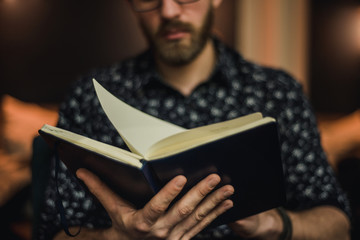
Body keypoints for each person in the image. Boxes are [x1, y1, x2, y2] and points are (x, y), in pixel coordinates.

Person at [36, 0, 351, 239]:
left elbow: (339, 223)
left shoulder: (277, 92)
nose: (170, 10)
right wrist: (117, 236)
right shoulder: (89, 96)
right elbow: (53, 230)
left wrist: (269, 223)